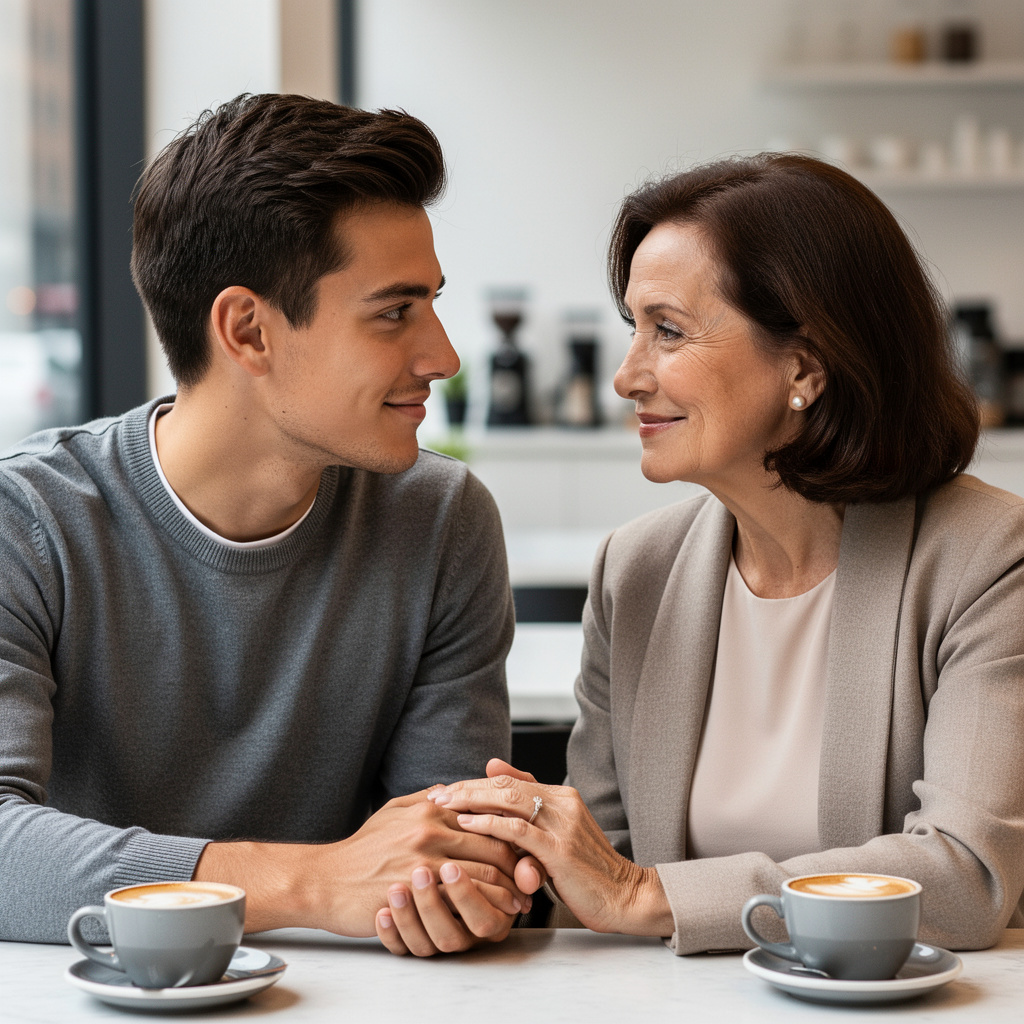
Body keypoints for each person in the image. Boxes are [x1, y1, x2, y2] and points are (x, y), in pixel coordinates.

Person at [405, 154, 1024, 956]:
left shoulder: (984, 558)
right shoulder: (636, 571)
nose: (628, 375)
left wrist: (645, 893)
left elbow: (965, 878)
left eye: (668, 331)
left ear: (803, 366)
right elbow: (604, 879)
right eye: (634, 329)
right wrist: (529, 858)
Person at [0, 93, 528, 950]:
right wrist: (310, 883)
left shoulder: (439, 521)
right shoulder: (27, 521)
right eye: (395, 311)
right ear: (247, 330)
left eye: (431, 303)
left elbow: (444, 852)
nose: (443, 357)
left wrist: (462, 887)